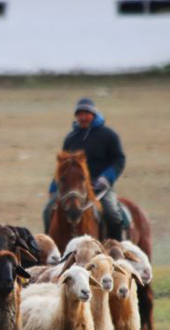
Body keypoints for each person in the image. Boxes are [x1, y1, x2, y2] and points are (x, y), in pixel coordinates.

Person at [42, 98, 126, 240]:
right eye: (79, 114)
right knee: (48, 210)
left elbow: (119, 159)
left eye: (86, 113)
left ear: (94, 114)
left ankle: (117, 250)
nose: (82, 117)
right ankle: (49, 250)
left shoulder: (108, 135)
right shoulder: (71, 138)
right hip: (71, 187)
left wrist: (107, 177)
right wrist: (53, 188)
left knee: (112, 214)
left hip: (100, 187)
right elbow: (63, 167)